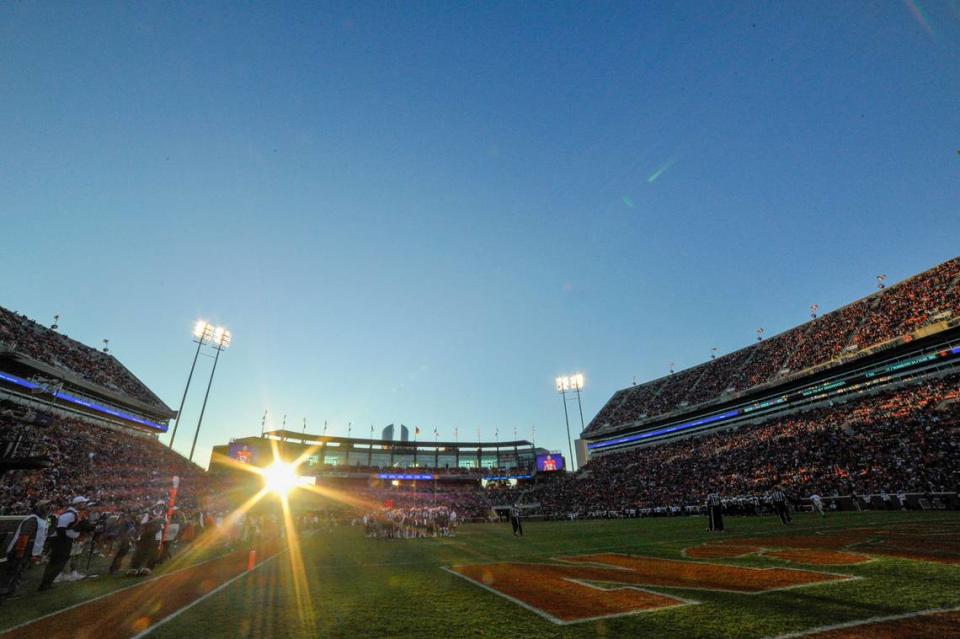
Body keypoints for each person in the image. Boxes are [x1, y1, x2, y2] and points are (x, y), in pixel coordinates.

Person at [38, 496, 92, 591]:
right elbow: (60, 527)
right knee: (57, 562)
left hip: (62, 540)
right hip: (61, 541)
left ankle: (47, 583)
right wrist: (65, 539)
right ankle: (45, 584)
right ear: (78, 504)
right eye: (83, 503)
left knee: (58, 562)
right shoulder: (71, 514)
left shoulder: (73, 513)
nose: (85, 505)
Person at [0, 501, 48, 601]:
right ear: (39, 508)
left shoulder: (40, 519)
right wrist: (20, 551)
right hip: (22, 549)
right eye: (45, 506)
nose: (48, 508)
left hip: (28, 549)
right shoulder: (32, 519)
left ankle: (10, 591)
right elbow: (24, 536)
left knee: (19, 571)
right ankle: (5, 592)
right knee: (14, 571)